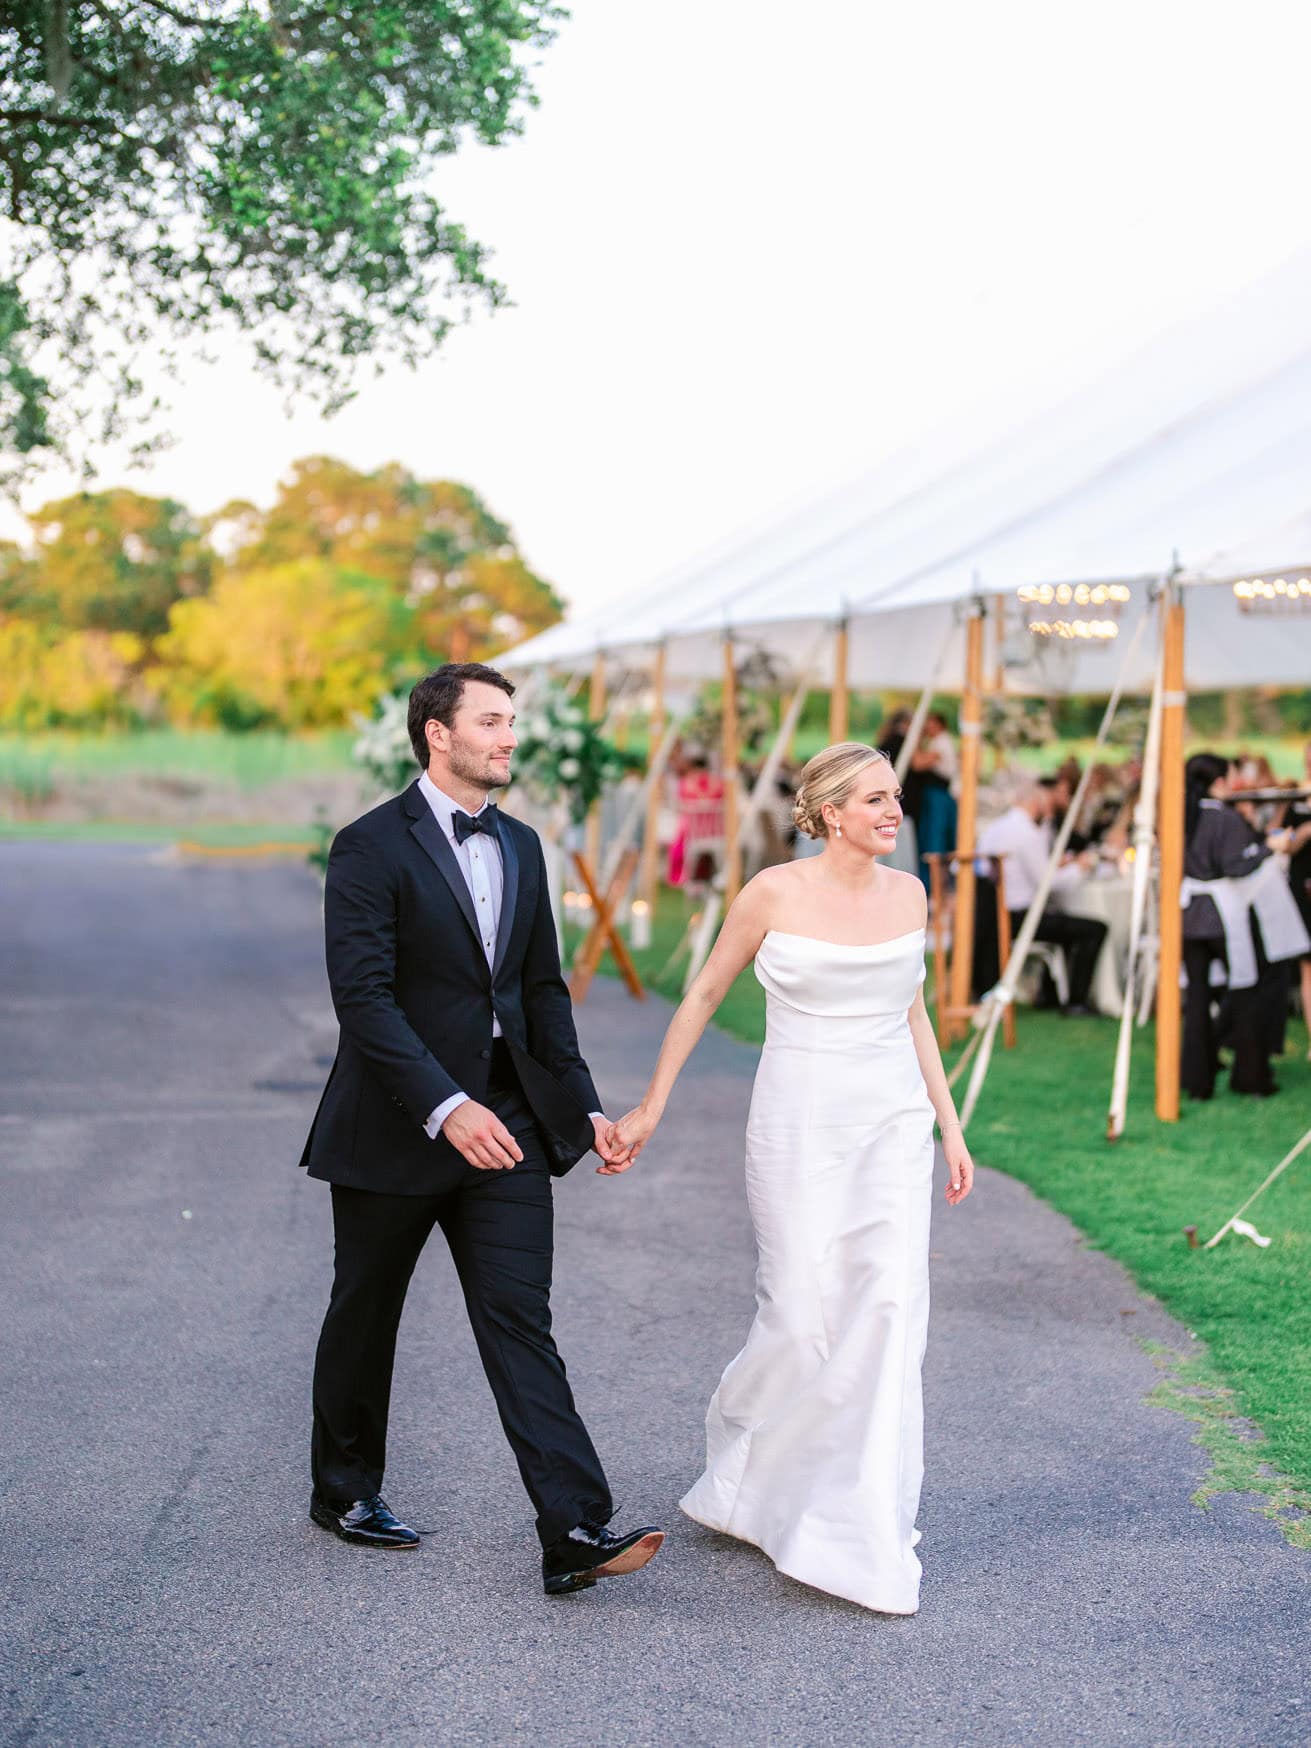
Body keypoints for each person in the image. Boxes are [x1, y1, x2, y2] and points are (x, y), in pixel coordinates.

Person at [301, 662, 663, 1596]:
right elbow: (365, 1002)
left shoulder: (527, 846)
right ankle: (343, 1490)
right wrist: (443, 1106)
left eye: (512, 723)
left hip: (506, 1119)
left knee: (520, 1320)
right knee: (365, 1310)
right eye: (492, 722)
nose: (509, 738)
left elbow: (541, 993)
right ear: (438, 733)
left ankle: (574, 1526)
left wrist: (581, 1108)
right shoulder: (368, 846)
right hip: (397, 1123)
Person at [601, 742, 975, 1616]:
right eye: (875, 800)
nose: (893, 812)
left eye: (893, 798)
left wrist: (949, 1127)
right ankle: (751, 1471)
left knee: (886, 1314)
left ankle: (857, 1527)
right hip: (798, 1122)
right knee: (800, 1314)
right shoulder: (771, 892)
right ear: (829, 812)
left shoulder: (909, 894)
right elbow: (699, 998)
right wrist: (651, 1106)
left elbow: (911, 1012)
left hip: (890, 1128)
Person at [1182, 751, 1308, 1098]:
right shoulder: (1222, 818)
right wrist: (1270, 846)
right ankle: (1250, 1075)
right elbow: (1238, 865)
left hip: (1190, 917)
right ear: (1219, 782)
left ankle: (1196, 1077)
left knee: (1196, 998)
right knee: (1248, 990)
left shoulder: (1183, 816)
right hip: (1222, 917)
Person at [976, 779, 1107, 1014]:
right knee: (1094, 929)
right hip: (1021, 916)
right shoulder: (1027, 833)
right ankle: (1076, 999)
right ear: (1036, 802)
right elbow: (1049, 884)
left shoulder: (997, 827)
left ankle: (1051, 993)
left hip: (993, 914)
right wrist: (1081, 867)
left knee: (1068, 924)